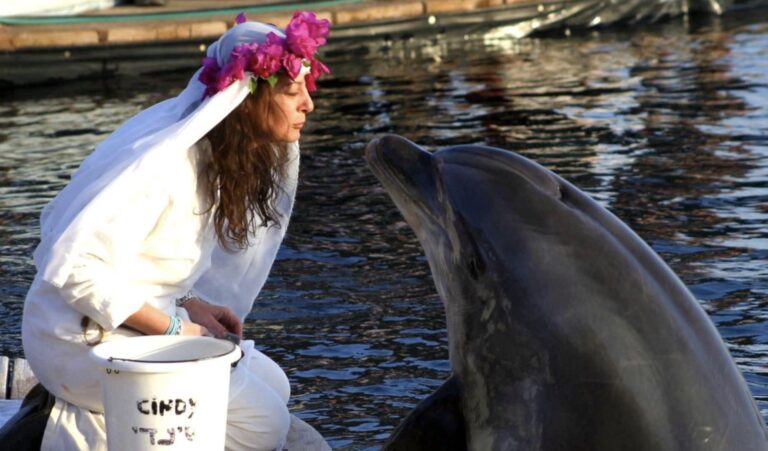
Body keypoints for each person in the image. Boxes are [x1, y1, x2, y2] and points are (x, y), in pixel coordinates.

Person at [18, 10, 330, 450]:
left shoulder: (213, 161)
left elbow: (144, 264)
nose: (308, 106)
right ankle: (86, 419)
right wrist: (173, 329)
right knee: (264, 427)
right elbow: (74, 268)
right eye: (294, 92)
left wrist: (190, 304)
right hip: (77, 340)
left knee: (275, 385)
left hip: (125, 326)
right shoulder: (167, 170)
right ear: (247, 98)